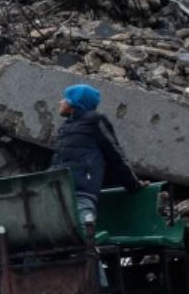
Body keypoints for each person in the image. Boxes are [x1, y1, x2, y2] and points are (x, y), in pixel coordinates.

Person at [51, 84, 142, 231]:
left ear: (76, 102)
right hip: (59, 188)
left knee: (84, 234)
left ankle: (89, 250)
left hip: (81, 189)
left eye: (65, 99)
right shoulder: (66, 127)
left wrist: (133, 184)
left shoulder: (95, 121)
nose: (60, 102)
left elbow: (115, 154)